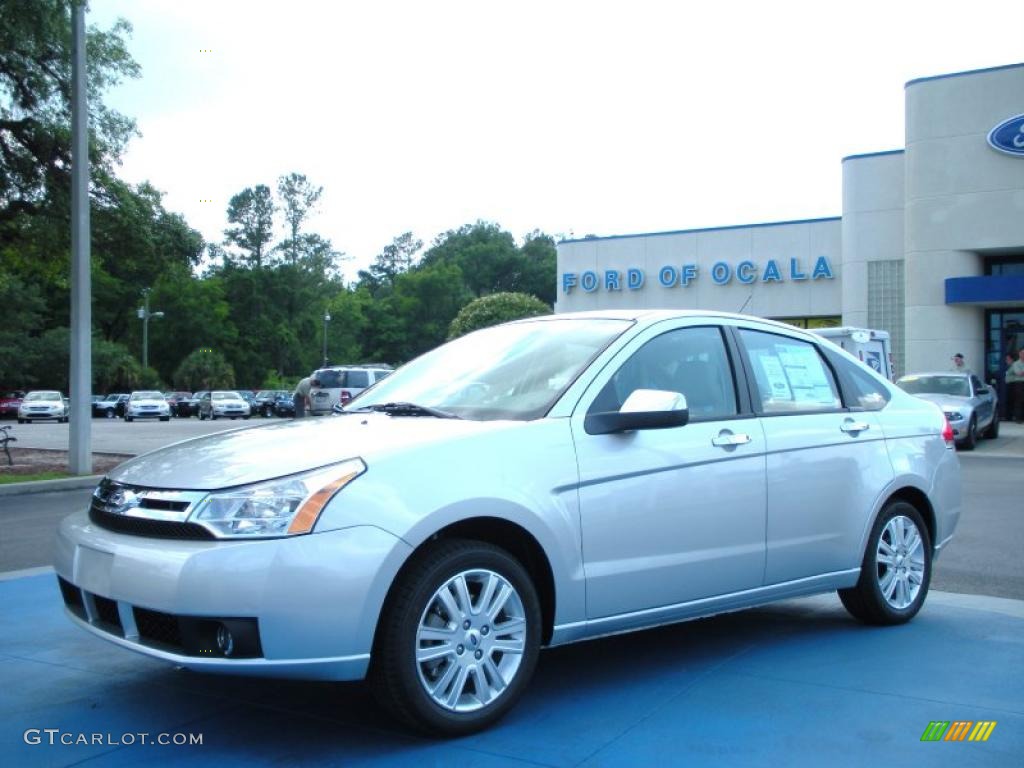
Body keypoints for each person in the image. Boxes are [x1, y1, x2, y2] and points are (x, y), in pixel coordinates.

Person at [1007, 349, 1024, 424]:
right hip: (1019, 383)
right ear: (1019, 354)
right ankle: (1018, 418)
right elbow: (1018, 373)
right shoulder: (1016, 364)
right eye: (1022, 353)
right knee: (1019, 400)